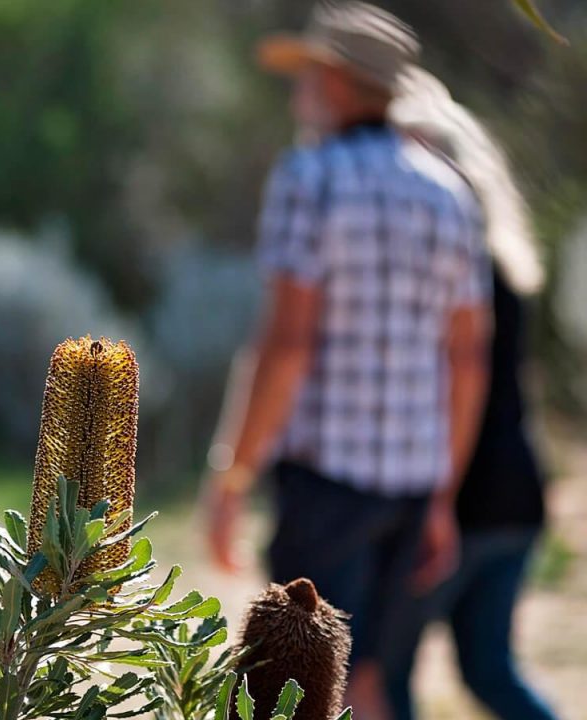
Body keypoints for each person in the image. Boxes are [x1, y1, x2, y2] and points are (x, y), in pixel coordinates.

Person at [201, 3, 492, 717]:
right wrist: (445, 500)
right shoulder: (449, 193)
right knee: (365, 684)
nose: (298, 92)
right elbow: (467, 358)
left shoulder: (312, 176)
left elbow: (288, 342)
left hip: (327, 484)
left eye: (306, 76)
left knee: (287, 691)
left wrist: (233, 471)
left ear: (333, 82)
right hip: (415, 482)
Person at [379, 68, 559, 720]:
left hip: (459, 505)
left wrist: (434, 504)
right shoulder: (505, 264)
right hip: (518, 498)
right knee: (490, 672)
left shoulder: (446, 271)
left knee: (383, 678)